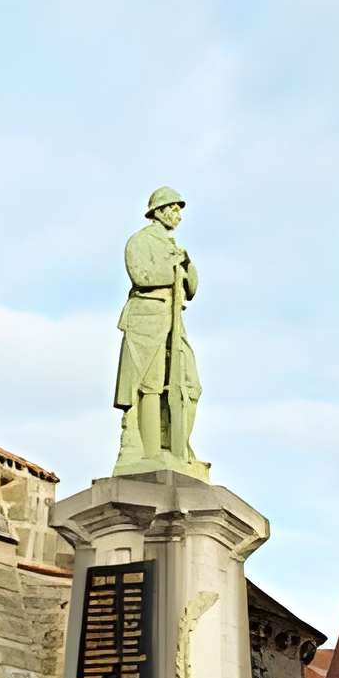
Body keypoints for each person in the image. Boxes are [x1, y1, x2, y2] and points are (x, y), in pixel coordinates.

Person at [113, 186, 204, 474]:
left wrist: (187, 265)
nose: (178, 215)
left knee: (190, 384)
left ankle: (177, 447)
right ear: (160, 211)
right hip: (146, 316)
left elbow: (191, 289)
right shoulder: (140, 241)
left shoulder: (174, 246)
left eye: (179, 210)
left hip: (173, 319)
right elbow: (142, 276)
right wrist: (172, 264)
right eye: (174, 209)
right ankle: (151, 452)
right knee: (149, 385)